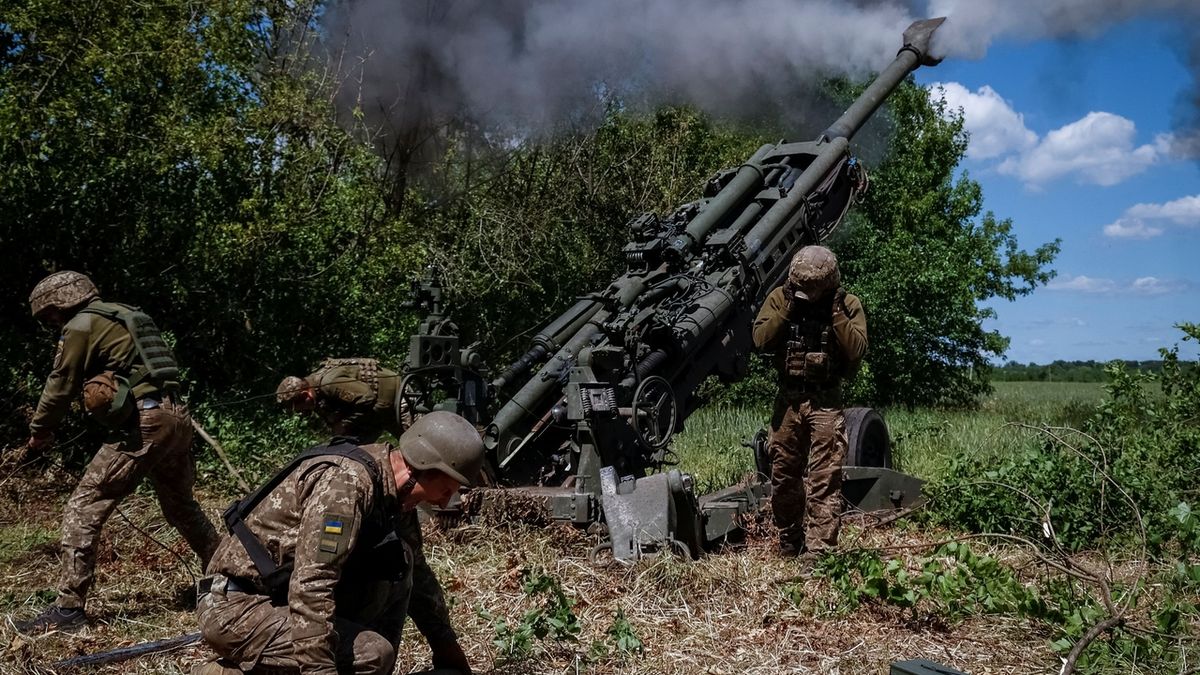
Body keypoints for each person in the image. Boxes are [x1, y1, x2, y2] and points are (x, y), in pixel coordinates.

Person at [193, 411, 483, 675]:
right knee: (373, 655)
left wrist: (445, 646)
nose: (446, 501)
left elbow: (418, 575)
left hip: (279, 596)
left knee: (399, 563)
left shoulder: (394, 495)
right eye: (445, 489)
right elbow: (313, 586)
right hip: (235, 605)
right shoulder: (346, 486)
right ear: (419, 467)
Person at [15, 271, 220, 633]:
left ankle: (68, 610)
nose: (50, 323)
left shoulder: (81, 324)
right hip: (177, 416)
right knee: (181, 506)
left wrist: (40, 433)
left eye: (48, 315)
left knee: (84, 504)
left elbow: (60, 384)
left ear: (61, 302)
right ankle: (228, 577)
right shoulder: (126, 314)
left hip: (145, 422)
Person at [752, 246, 868, 557]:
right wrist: (789, 306)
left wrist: (835, 313)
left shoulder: (847, 304)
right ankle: (790, 539)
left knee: (825, 475)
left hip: (826, 400)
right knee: (784, 471)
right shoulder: (780, 298)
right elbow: (761, 340)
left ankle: (820, 549)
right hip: (788, 399)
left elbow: (856, 349)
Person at [276, 358, 406, 443]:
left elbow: (367, 397)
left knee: (419, 447)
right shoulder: (317, 398)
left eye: (300, 408)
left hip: (398, 398)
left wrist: (344, 424)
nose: (302, 413)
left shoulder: (328, 384)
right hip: (375, 414)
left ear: (306, 395)